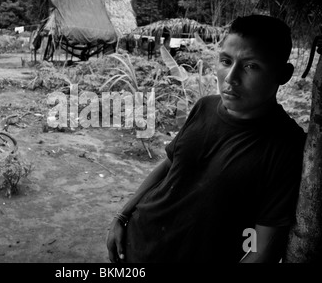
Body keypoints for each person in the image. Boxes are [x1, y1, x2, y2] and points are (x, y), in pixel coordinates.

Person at [106, 15, 307, 263]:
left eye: (251, 66)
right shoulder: (204, 107)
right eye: (225, 61)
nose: (231, 78)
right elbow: (170, 166)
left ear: (283, 74)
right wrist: (122, 216)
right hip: (137, 243)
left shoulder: (287, 144)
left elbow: (264, 247)